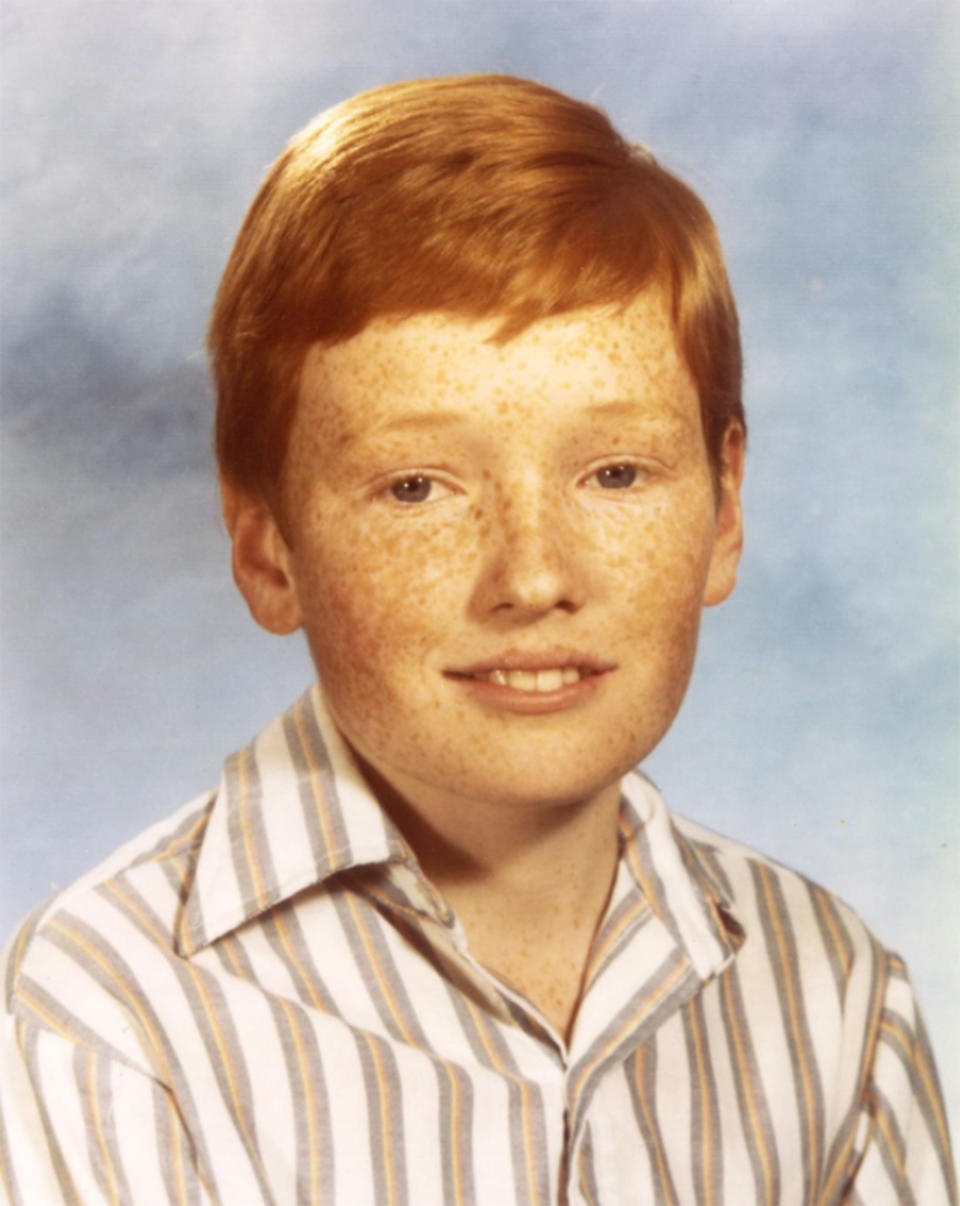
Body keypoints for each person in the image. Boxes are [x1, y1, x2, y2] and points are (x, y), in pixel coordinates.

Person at [0, 74, 954, 1206]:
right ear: (267, 548)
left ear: (725, 510)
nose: (535, 576)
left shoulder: (834, 996)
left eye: (614, 473)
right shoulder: (104, 1013)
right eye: (416, 488)